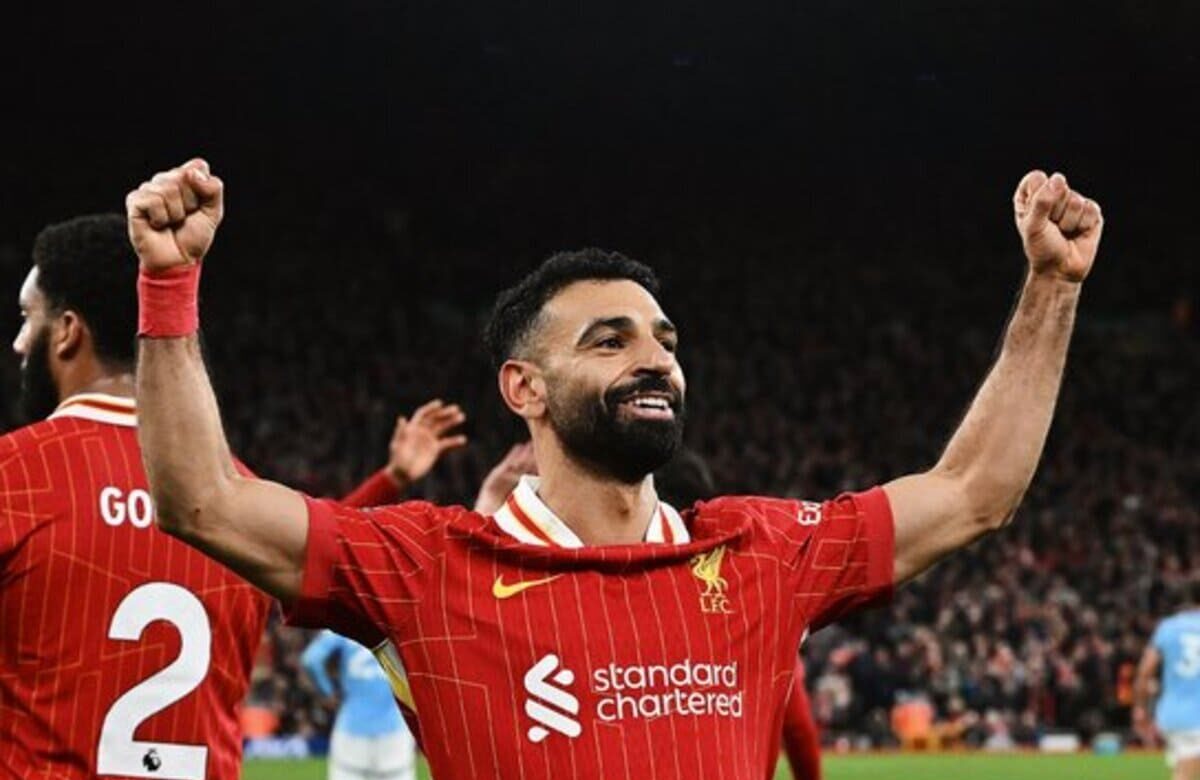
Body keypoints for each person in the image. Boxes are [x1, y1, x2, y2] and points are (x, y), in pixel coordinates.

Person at [126, 158, 1102, 779]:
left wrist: (1051, 289)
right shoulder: (426, 565)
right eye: (609, 340)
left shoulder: (763, 551)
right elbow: (199, 499)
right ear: (524, 389)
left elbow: (975, 492)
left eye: (665, 338)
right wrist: (169, 289)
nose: (656, 358)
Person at [0, 213, 466, 777]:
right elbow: (317, 543)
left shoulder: (17, 476)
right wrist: (389, 480)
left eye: (29, 317)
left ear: (70, 330)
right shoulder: (233, 494)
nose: (20, 340)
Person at [302, 631, 418, 780]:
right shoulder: (396, 627)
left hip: (351, 730)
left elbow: (311, 659)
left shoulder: (344, 626)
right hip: (395, 731)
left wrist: (328, 692)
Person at [1134, 581, 1200, 780]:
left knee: (1183, 772)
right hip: (1196, 717)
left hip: (1171, 715)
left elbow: (1145, 671)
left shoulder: (1168, 627)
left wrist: (1140, 709)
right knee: (1186, 775)